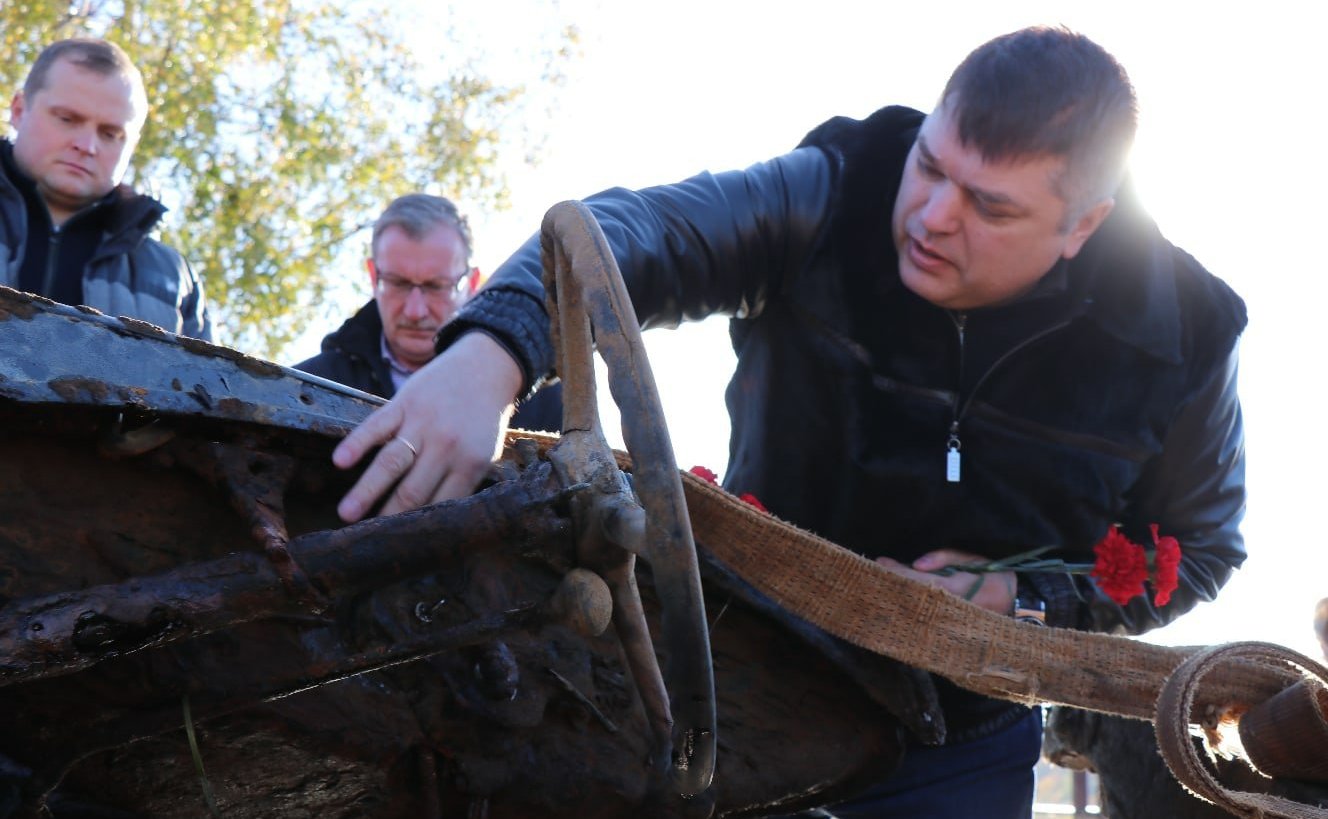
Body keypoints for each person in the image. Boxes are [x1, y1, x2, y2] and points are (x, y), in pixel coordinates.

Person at [329, 26, 1247, 817]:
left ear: (1083, 224)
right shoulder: (834, 190)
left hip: (964, 733)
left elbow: (1201, 547)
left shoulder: (1188, 334)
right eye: (931, 165)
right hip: (743, 673)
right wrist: (491, 352)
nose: (932, 216)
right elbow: (630, 234)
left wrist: (1024, 599)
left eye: (991, 206)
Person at [294, 193, 561, 432]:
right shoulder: (305, 387)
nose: (415, 311)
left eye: (436, 286)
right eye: (398, 283)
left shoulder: (544, 397)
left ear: (471, 283)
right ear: (374, 277)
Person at [1, 38, 211, 340]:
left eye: (110, 133)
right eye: (67, 119)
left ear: (132, 144)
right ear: (19, 110)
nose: (87, 145)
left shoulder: (174, 281)